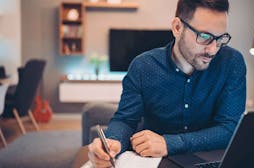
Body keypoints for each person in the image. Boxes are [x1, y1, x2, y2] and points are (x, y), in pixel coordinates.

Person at [88, 0, 246, 167]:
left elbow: (230, 128)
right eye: (205, 37)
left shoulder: (232, 63)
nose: (213, 50)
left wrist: (170, 143)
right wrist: (113, 142)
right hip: (158, 163)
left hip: (212, 160)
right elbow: (125, 120)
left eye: (220, 38)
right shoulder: (143, 67)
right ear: (177, 27)